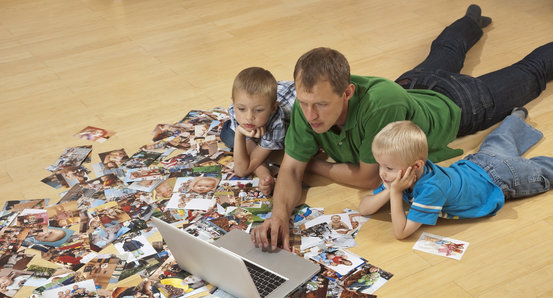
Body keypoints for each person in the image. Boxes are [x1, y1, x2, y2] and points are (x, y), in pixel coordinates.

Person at [252, 4, 553, 251]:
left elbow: (367, 177)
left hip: (460, 105)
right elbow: (291, 170)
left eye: (319, 104)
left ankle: (473, 19)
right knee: (446, 49)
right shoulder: (311, 106)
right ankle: (471, 18)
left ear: (347, 93)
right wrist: (279, 214)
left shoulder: (380, 106)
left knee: (531, 72)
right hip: (412, 84)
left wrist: (314, 164)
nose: (309, 114)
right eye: (303, 103)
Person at [358, 108, 553, 239]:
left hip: (501, 178)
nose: (382, 173)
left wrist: (395, 192)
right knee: (501, 139)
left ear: (416, 165)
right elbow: (364, 208)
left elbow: (401, 232)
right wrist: (390, 189)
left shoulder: (431, 188)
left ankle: (516, 122)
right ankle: (515, 118)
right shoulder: (400, 175)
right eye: (380, 165)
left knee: (543, 170)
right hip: (479, 163)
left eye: (388, 168)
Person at [219, 67, 296, 195]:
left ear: (272, 108)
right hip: (277, 92)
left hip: (292, 98)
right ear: (234, 103)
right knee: (226, 133)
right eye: (241, 109)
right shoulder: (234, 109)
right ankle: (265, 173)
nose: (249, 117)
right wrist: (239, 132)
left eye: (259, 110)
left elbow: (241, 170)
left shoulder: (277, 121)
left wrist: (240, 135)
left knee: (283, 147)